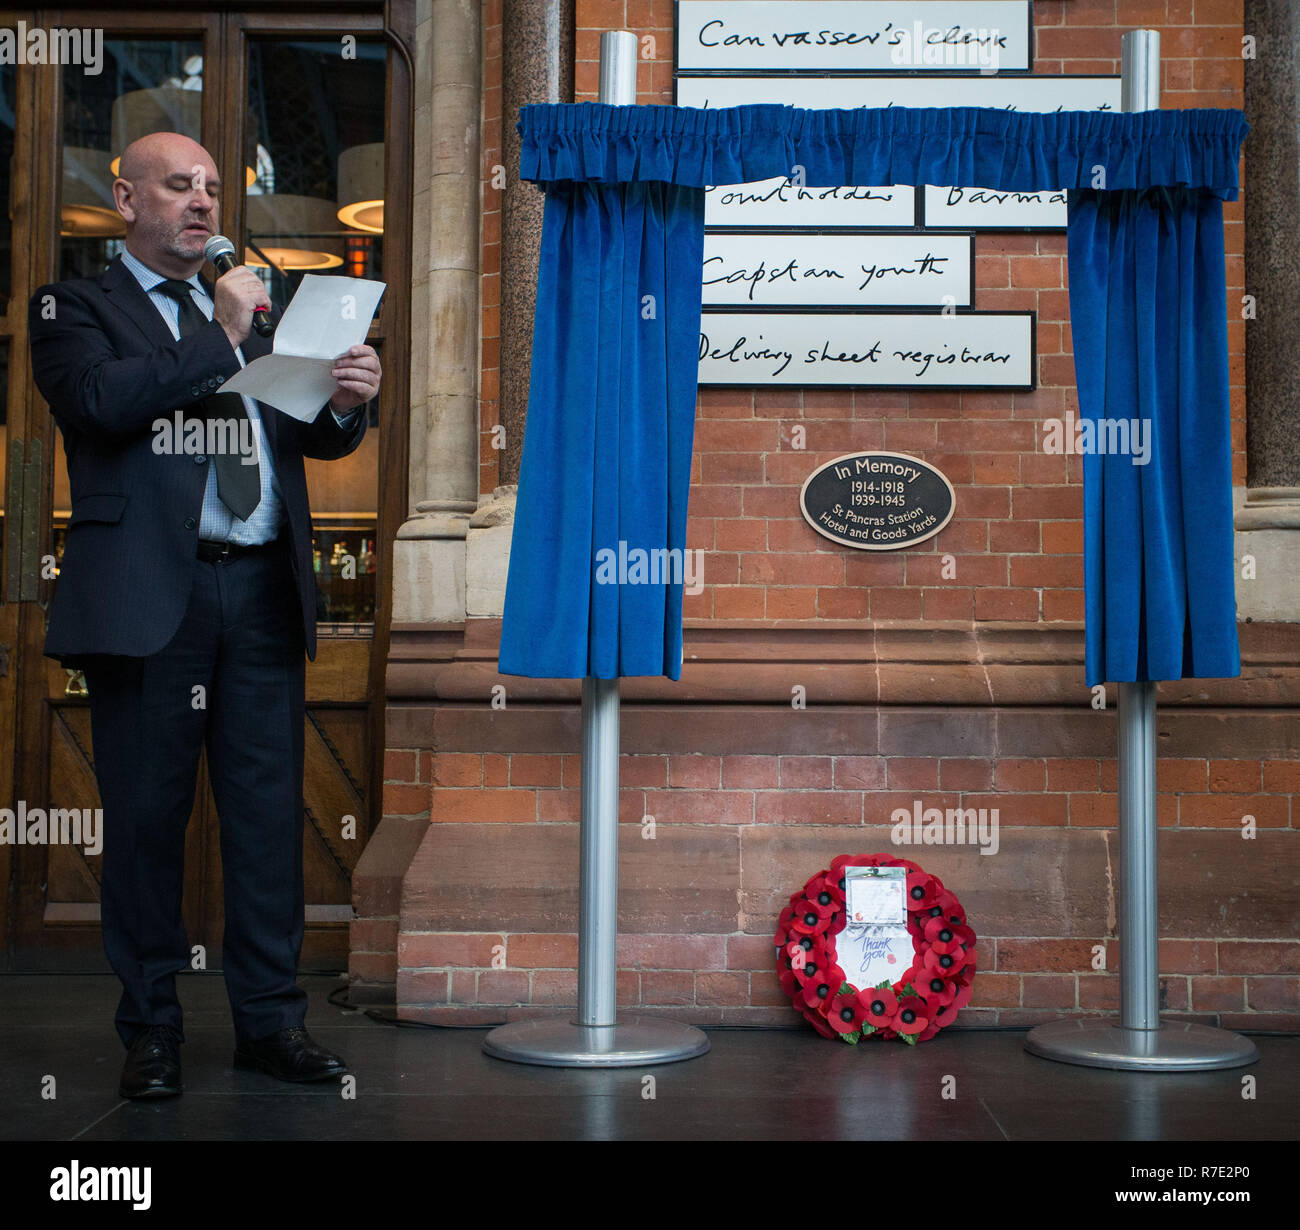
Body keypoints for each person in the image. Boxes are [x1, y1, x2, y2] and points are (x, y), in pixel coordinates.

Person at [27, 131, 382, 1099]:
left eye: (214, 188)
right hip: (153, 598)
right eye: (178, 185)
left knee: (267, 822)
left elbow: (305, 429)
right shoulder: (74, 306)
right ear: (126, 199)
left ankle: (271, 1024)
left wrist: (351, 402)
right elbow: (102, 404)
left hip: (261, 590)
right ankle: (151, 1031)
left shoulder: (255, 314)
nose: (201, 201)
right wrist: (220, 336)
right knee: (147, 823)